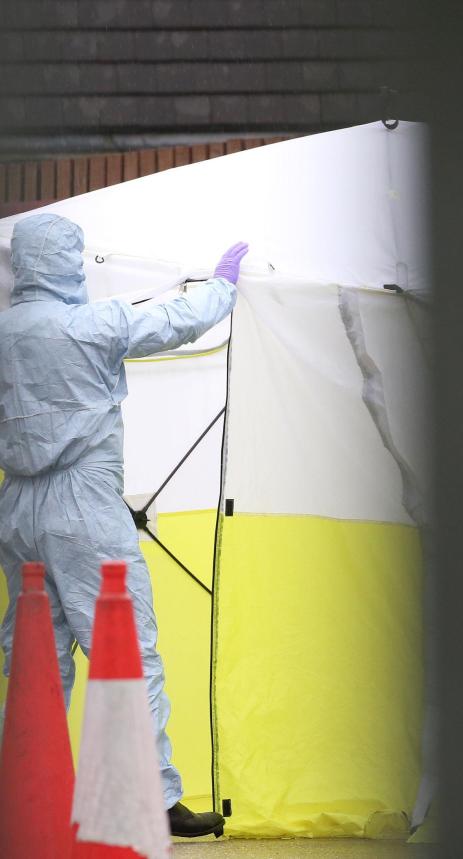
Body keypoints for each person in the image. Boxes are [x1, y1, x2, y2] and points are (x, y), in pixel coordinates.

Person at [0, 213, 248, 838]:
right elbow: (172, 322)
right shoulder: (89, 324)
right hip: (82, 501)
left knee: (34, 656)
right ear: (65, 261)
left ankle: (29, 797)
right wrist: (221, 288)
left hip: (15, 508)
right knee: (124, 643)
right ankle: (147, 797)